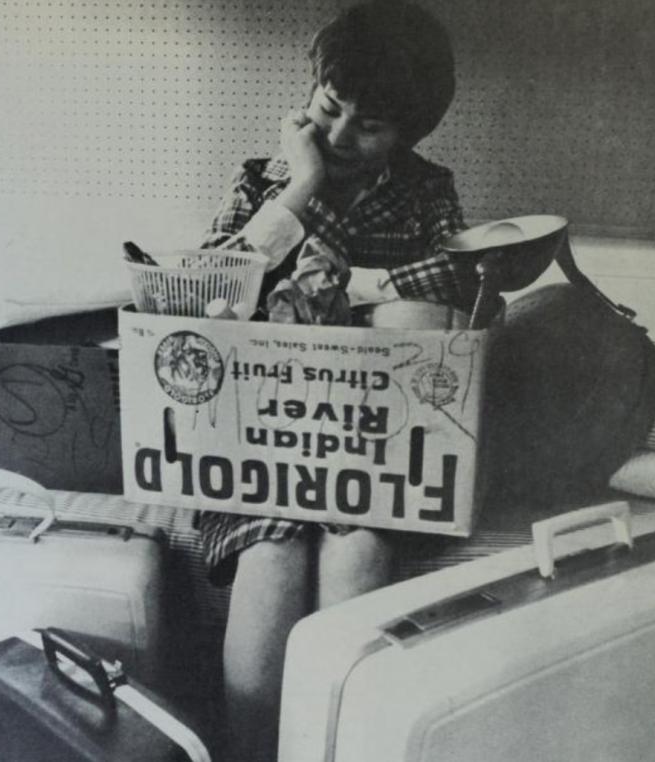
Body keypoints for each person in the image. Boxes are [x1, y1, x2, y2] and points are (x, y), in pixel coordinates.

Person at [197, 2, 480, 759]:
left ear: (409, 134)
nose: (341, 134)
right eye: (330, 108)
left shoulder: (427, 192)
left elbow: (446, 288)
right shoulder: (265, 180)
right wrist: (304, 184)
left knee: (359, 548)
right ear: (311, 94)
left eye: (370, 125)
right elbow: (210, 291)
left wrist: (339, 284)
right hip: (262, 447)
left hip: (375, 451)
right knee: (271, 556)